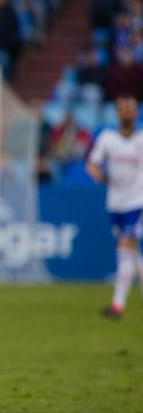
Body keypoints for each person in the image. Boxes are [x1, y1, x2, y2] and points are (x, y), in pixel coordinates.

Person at [86, 95, 143, 319]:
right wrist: (98, 174)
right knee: (132, 254)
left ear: (137, 113)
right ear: (117, 113)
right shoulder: (107, 138)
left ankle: (117, 305)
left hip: (137, 202)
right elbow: (92, 163)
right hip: (115, 203)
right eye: (123, 109)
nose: (127, 113)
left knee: (125, 246)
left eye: (131, 109)